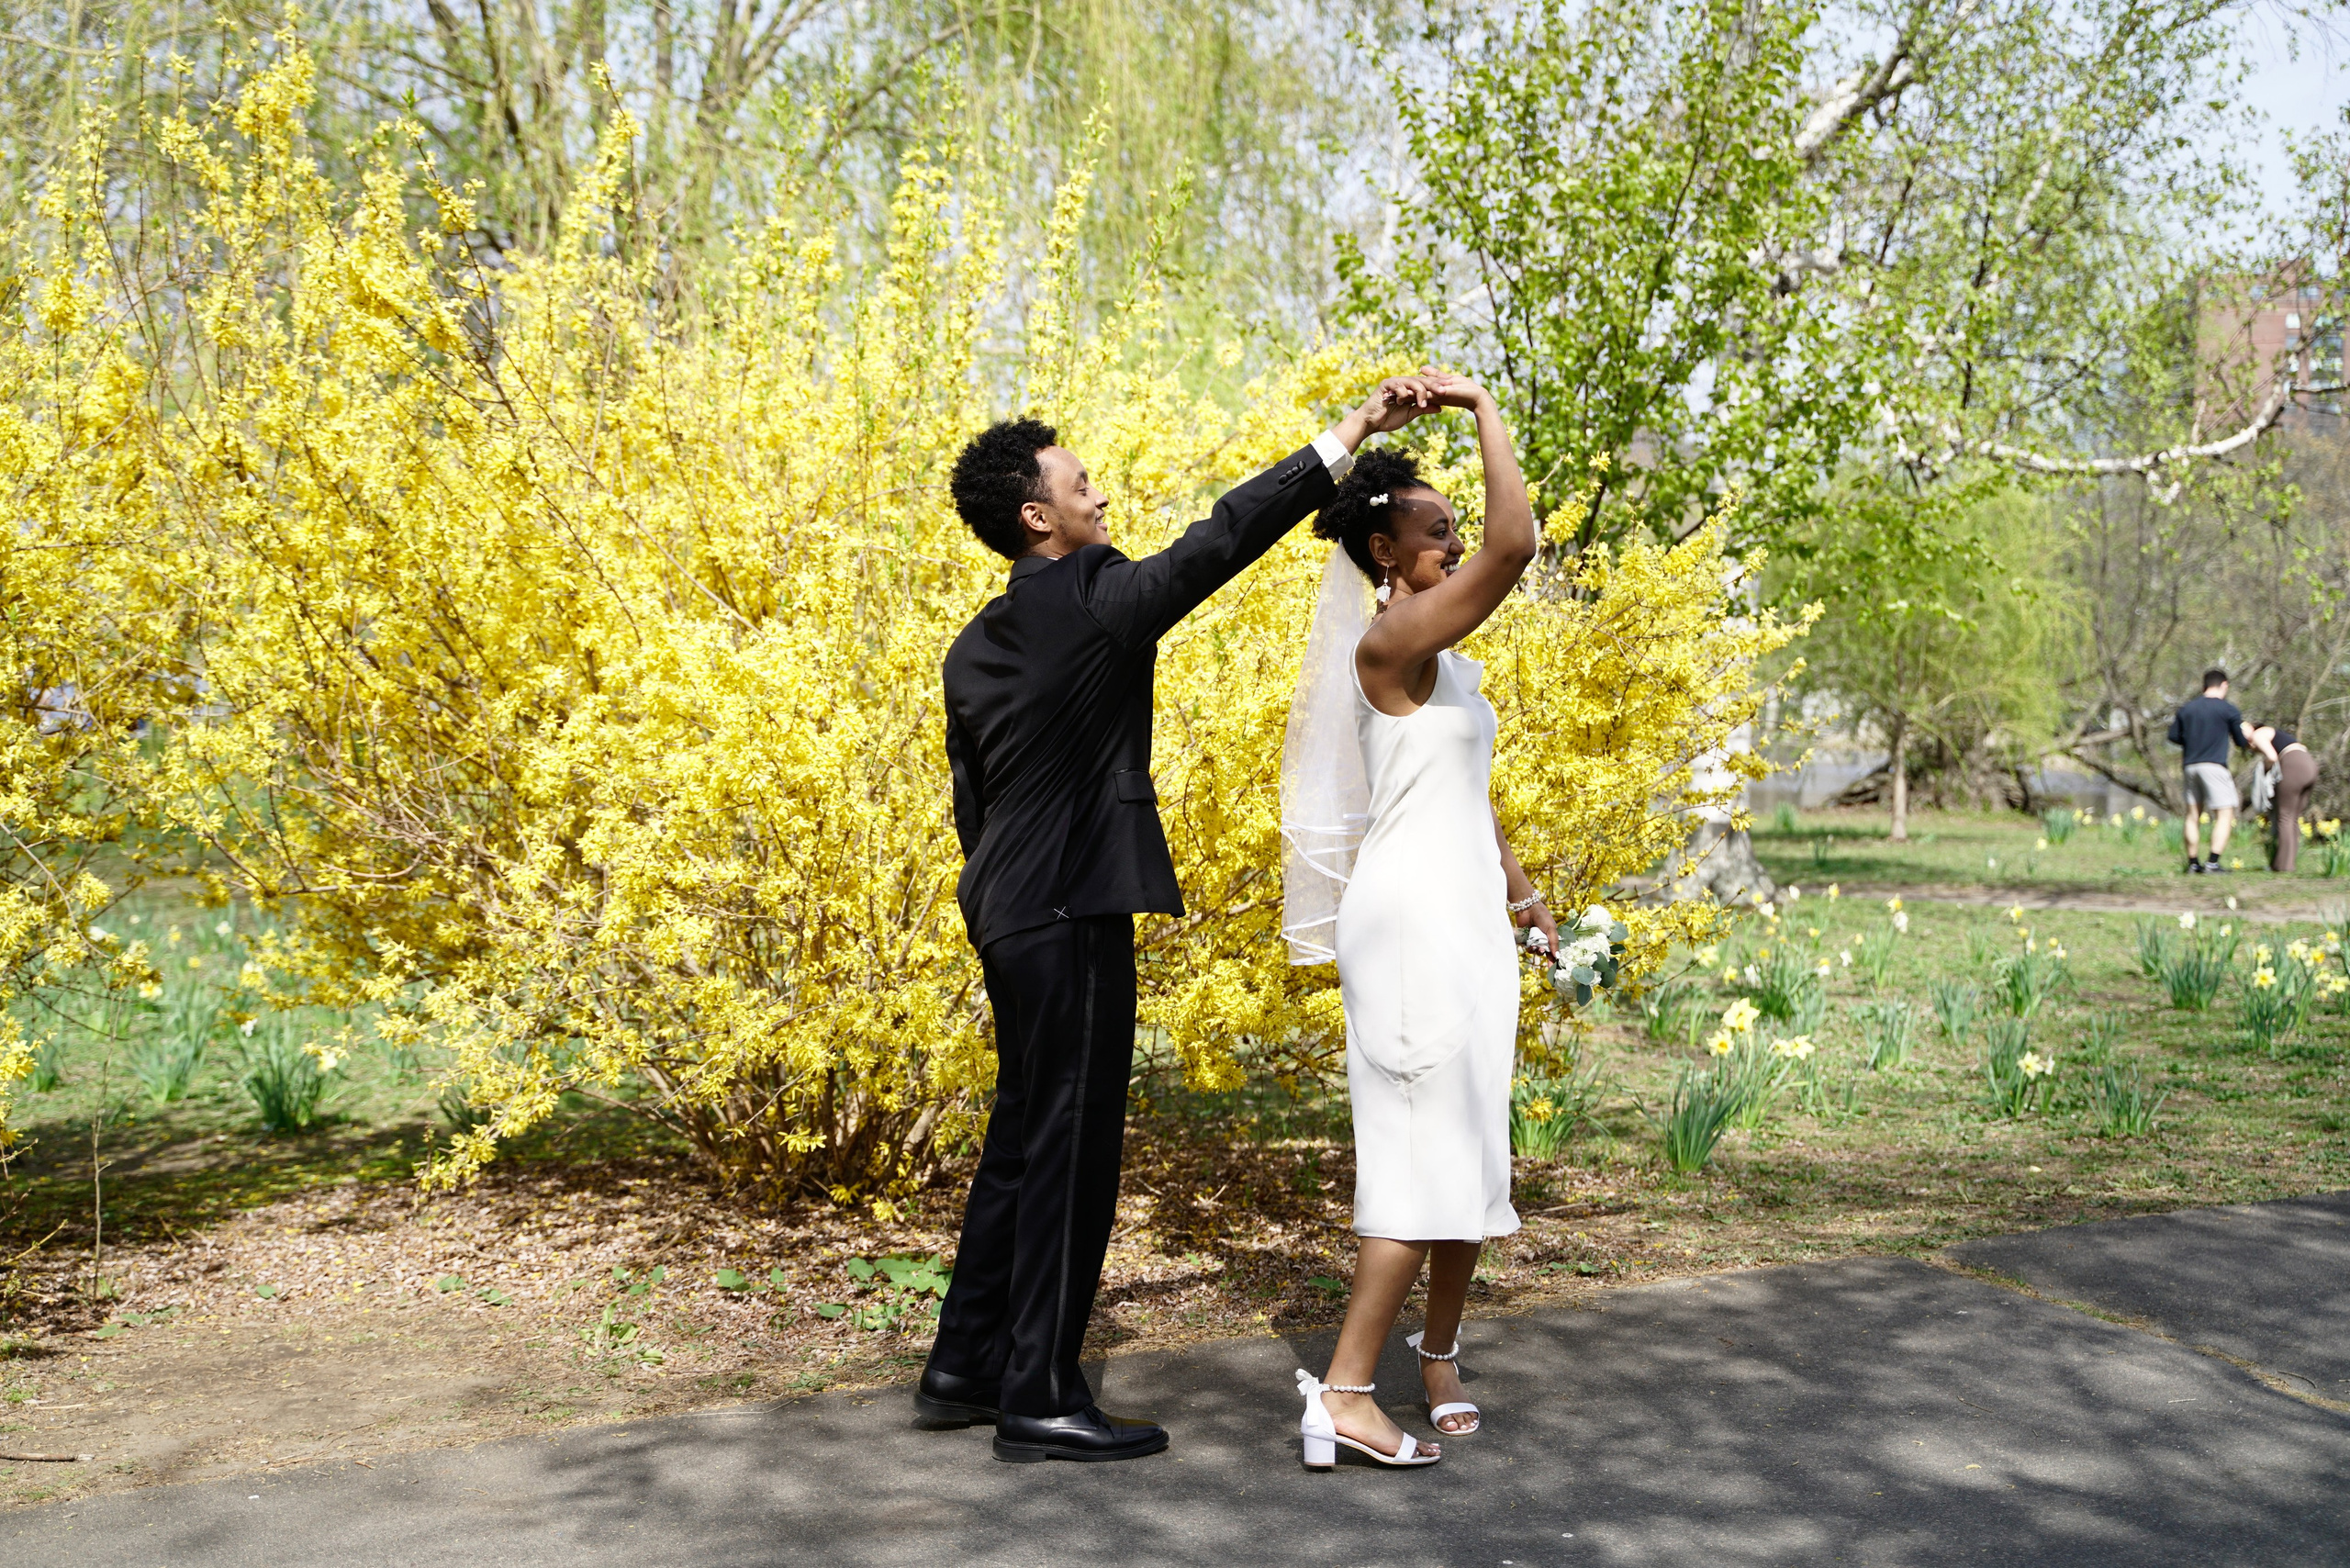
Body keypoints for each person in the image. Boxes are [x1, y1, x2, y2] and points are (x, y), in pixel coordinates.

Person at [916, 375, 1441, 1465]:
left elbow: (973, 799)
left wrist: (1009, 887)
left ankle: (964, 1363)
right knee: (1071, 1144)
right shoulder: (1097, 598)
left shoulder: (974, 642)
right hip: (1072, 904)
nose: (1099, 494)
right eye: (1080, 483)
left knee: (1021, 1133)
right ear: (1036, 514)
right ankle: (1041, 1395)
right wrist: (1343, 440)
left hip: (1006, 907)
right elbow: (1220, 540)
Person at [1279, 372, 1551, 1471]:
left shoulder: (1447, 662)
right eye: (1435, 532)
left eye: (1453, 528)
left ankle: (1436, 1355)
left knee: (1469, 1151)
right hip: (1405, 932)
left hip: (1468, 919)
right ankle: (1345, 1390)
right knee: (1412, 1155)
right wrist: (1483, 409)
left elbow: (1465, 790)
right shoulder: (1388, 648)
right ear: (1384, 556)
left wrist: (1521, 889)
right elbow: (1516, 546)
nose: (1454, 542)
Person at [2166, 668, 2256, 874]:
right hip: (2214, 765)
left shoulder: (2187, 709)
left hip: (2190, 765)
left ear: (2204, 685)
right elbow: (2240, 741)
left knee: (2192, 815)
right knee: (2225, 813)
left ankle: (2192, 864)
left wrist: (2191, 741)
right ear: (2224, 685)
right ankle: (2212, 863)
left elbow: (2173, 736)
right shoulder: (2228, 710)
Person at [2252, 722, 2317, 872]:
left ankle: (2283, 866)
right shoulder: (2283, 737)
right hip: (2310, 765)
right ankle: (2288, 863)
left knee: (2285, 817)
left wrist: (2265, 770)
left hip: (2293, 764)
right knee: (2293, 818)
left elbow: (2271, 757)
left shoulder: (2259, 733)